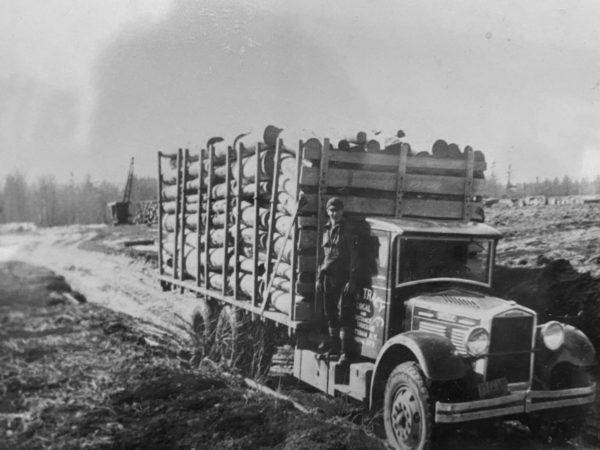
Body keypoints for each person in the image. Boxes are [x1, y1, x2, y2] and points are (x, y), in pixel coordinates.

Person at [317, 197, 356, 364]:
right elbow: (324, 256)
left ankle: (345, 353)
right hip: (328, 276)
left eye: (338, 210)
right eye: (332, 210)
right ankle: (334, 348)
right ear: (328, 212)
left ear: (342, 211)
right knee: (330, 313)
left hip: (343, 278)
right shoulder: (326, 229)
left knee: (345, 315)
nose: (335, 213)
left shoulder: (347, 230)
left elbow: (355, 256)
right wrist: (319, 277)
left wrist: (352, 280)